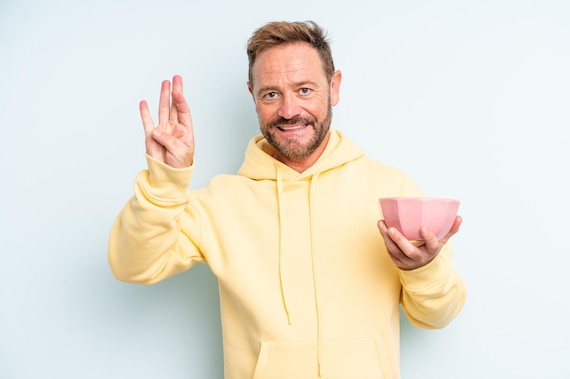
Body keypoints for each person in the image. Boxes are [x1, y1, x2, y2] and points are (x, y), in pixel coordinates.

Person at [108, 20, 466, 379]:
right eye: (271, 94)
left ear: (334, 87)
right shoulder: (218, 204)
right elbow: (133, 266)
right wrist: (166, 181)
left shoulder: (391, 191)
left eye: (305, 89)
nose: (289, 110)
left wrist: (421, 269)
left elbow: (437, 316)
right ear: (252, 96)